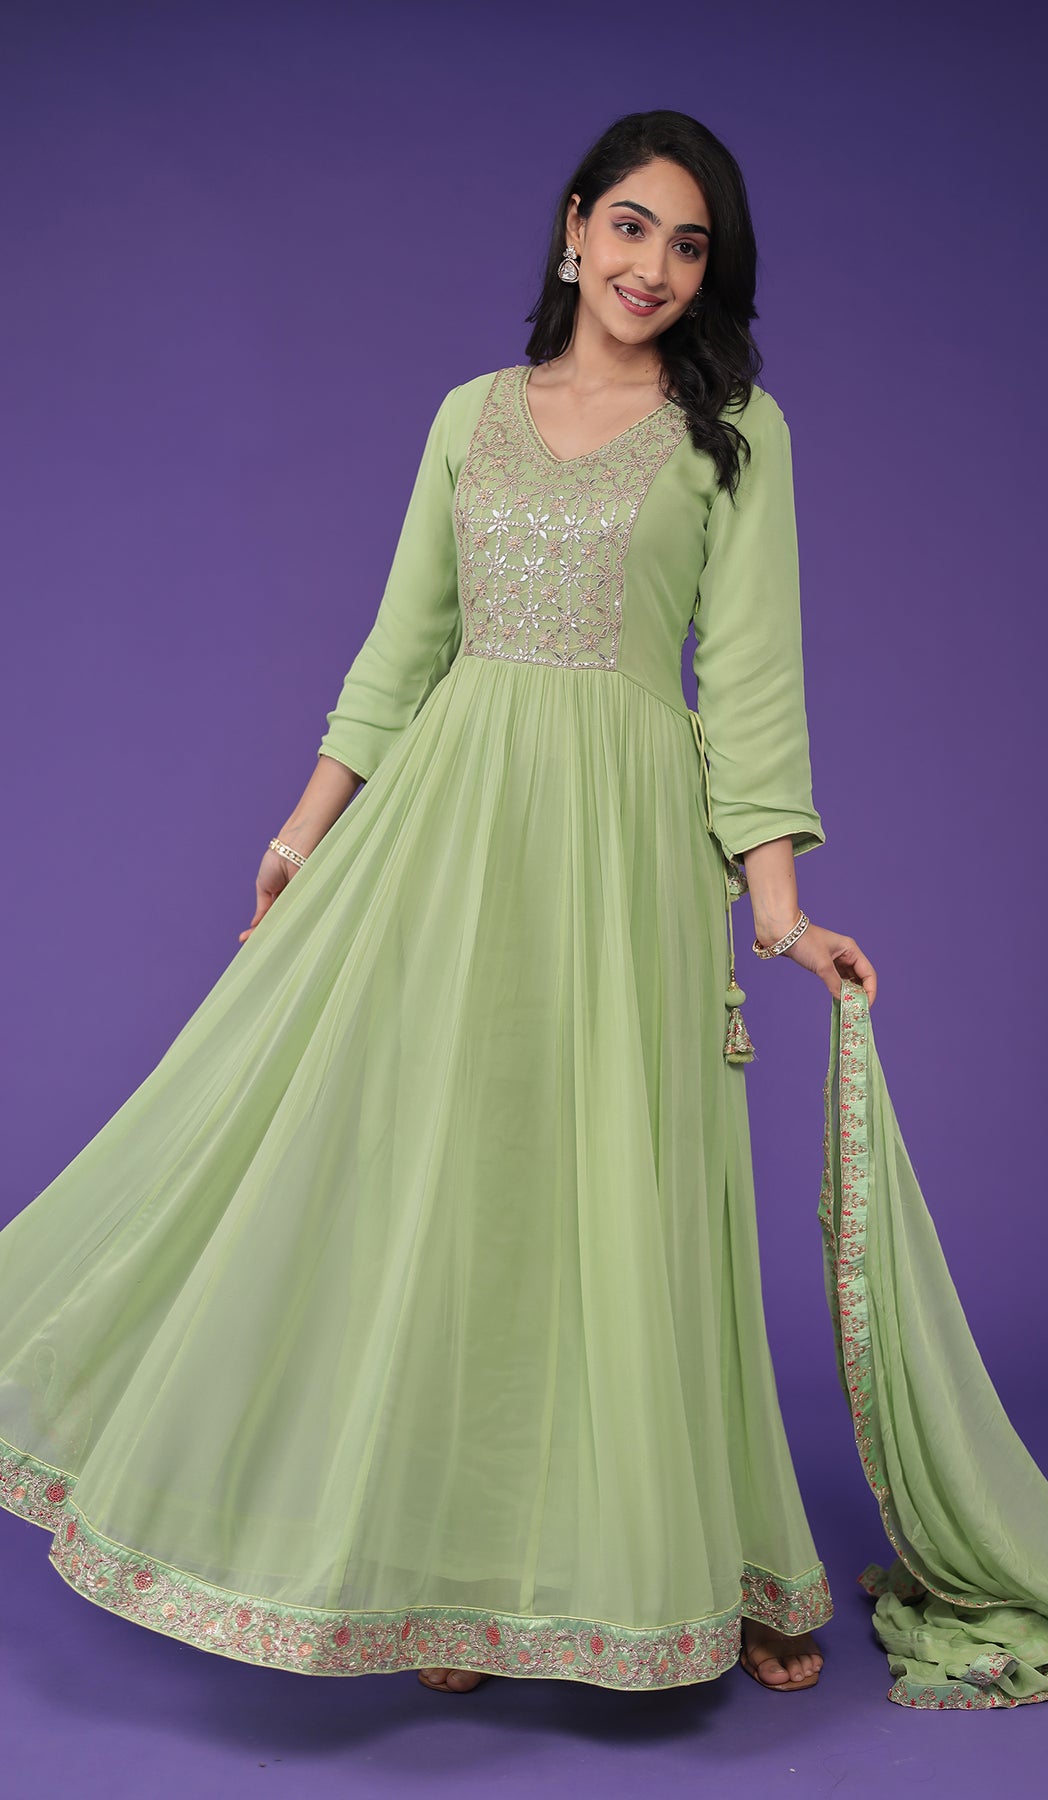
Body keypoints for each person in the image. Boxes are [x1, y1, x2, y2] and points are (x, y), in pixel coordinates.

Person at [0, 110, 874, 1697]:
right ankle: (450, 1584)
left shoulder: (734, 432)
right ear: (574, 226)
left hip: (621, 850)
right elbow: (403, 645)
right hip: (449, 838)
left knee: (632, 1186)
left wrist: (777, 910)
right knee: (458, 1180)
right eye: (631, 227)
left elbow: (751, 683)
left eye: (690, 247)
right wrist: (301, 833)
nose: (654, 267)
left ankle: (718, 1560)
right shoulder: (470, 415)